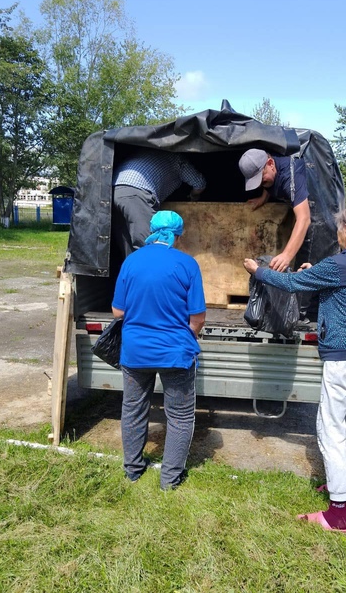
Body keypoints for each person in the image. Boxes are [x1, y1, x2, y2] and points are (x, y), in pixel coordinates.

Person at [243, 204, 346, 532]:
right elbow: (343, 285)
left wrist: (258, 271)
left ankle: (338, 513)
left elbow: (293, 285)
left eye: (340, 228)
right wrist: (316, 270)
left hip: (343, 354)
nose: (338, 232)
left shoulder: (342, 264)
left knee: (329, 428)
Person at [112, 210, 207, 490]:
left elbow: (118, 311)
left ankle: (132, 470)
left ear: (152, 231)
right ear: (177, 235)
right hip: (175, 353)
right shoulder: (187, 264)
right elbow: (197, 318)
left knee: (133, 409)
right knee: (179, 417)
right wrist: (182, 337)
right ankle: (170, 479)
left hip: (135, 353)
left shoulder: (131, 261)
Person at [112, 147, 206, 259]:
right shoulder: (178, 159)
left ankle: (135, 274)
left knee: (128, 246)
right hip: (137, 192)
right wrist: (194, 196)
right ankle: (152, 274)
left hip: (114, 189)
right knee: (149, 243)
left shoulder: (148, 153)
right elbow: (199, 183)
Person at [238, 148, 311, 272]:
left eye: (261, 179)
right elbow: (269, 182)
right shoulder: (271, 170)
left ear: (271, 163)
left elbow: (304, 219)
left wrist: (286, 255)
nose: (260, 184)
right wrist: (263, 198)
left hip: (312, 208)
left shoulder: (291, 177)